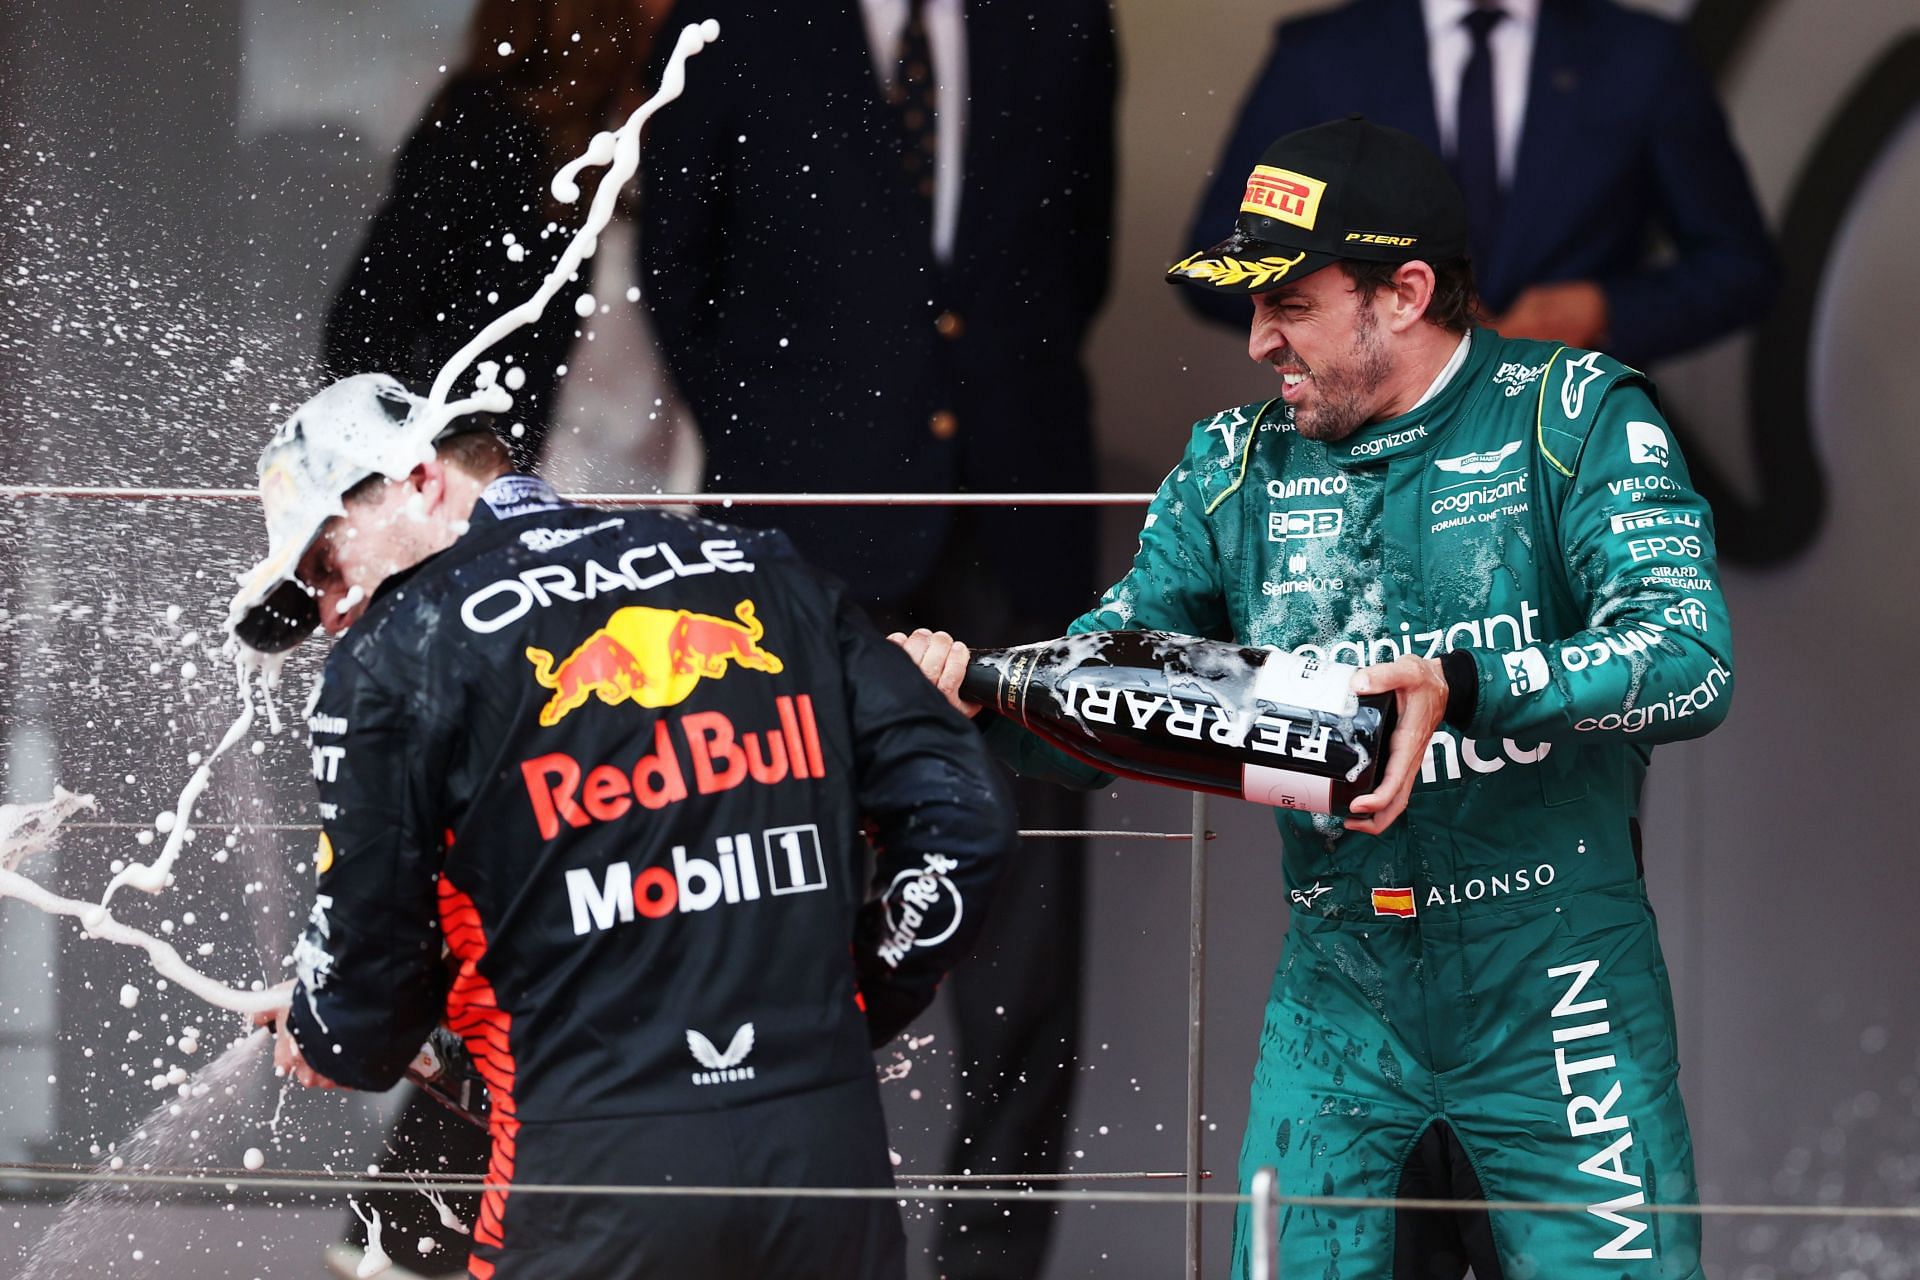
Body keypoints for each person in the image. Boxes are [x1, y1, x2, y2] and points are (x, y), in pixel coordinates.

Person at [899, 117, 1733, 1277]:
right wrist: (975, 698)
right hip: (1339, 998)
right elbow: (1102, 697)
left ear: (1404, 291)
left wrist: (1469, 684)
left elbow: (1691, 657)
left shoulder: (1572, 414)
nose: (1255, 341)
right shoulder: (1232, 466)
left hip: (1561, 985)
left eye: (1286, 300)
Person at [230, 373, 1015, 1279]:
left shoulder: (397, 653)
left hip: (588, 1185)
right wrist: (852, 1004)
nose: (330, 610)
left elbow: (360, 1020)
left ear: (419, 479)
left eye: (329, 563)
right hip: (825, 1168)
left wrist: (326, 1020)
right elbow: (965, 828)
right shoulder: (762, 566)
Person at [639, 3, 1117, 1272]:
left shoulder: (1062, 20)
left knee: (1026, 961)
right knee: (758, 915)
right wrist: (802, 455)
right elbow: (680, 275)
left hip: (1014, 543)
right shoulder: (731, 20)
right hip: (801, 552)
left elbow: (1078, 266)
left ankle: (987, 1265)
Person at [1180, 0, 1776, 369]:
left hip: (1575, 447)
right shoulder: (1321, 56)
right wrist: (1377, 314)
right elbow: (1218, 260)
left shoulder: (1641, 56)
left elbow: (1740, 266)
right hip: (1371, 457)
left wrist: (1604, 309)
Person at [324, 0, 690, 475]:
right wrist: (430, 473)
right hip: (524, 486)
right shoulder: (484, 127)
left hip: (655, 485)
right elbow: (364, 327)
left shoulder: (673, 132)